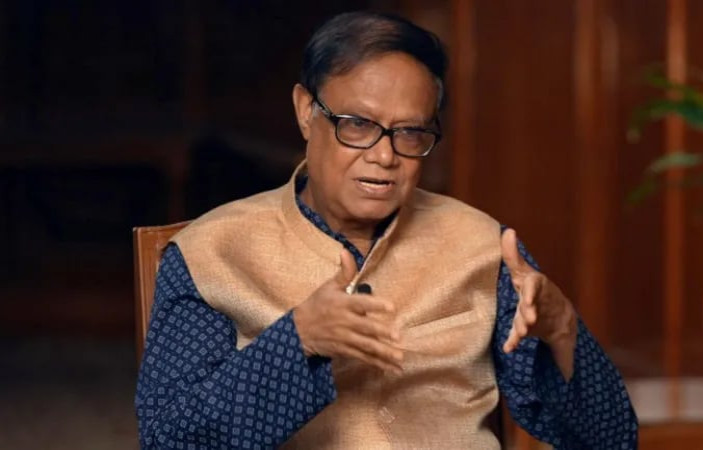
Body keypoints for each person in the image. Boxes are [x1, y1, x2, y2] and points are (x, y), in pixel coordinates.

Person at [135, 11, 637, 449]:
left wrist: (563, 329)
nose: (383, 156)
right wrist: (299, 339)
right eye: (357, 124)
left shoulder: (483, 247)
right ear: (306, 111)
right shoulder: (213, 253)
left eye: (410, 133)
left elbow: (613, 440)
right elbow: (170, 438)